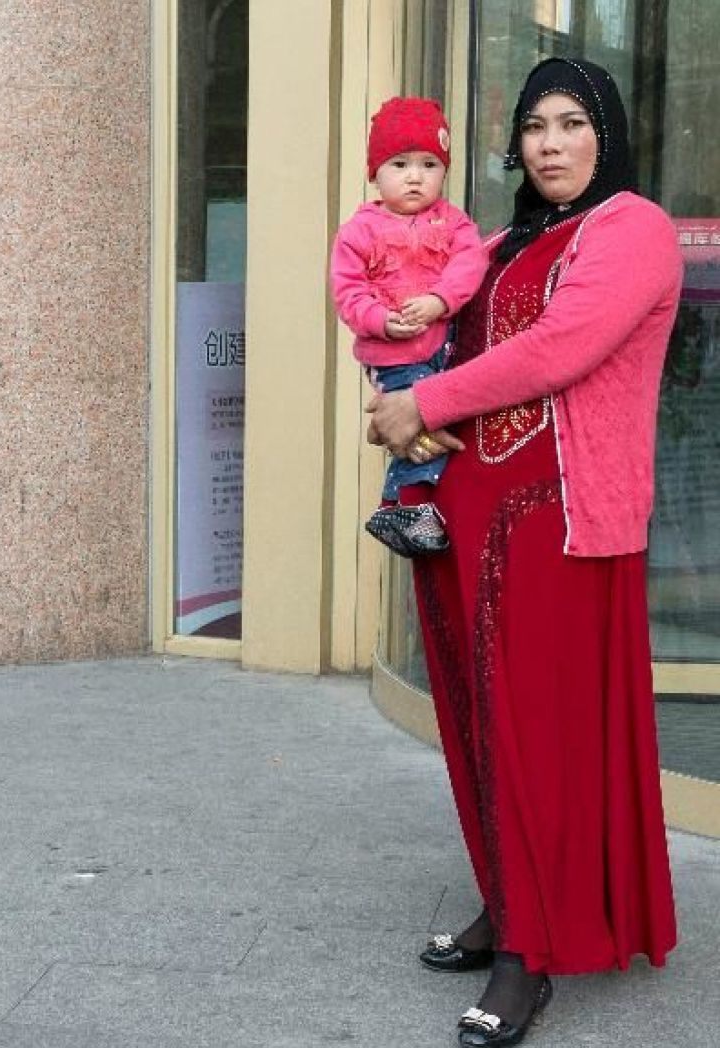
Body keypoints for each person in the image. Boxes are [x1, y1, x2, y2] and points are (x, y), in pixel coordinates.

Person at [368, 57, 679, 1048]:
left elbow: (561, 346)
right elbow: (419, 334)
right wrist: (391, 405)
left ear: (605, 135)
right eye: (532, 127)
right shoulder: (498, 240)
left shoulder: (630, 228)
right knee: (475, 723)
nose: (548, 145)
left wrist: (423, 405)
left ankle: (529, 958)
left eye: (569, 124)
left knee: (536, 737)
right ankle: (508, 906)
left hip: (558, 520)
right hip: (465, 513)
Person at [331, 96, 488, 557]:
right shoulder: (360, 231)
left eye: (429, 164)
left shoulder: (453, 223)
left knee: (432, 428)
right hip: (394, 355)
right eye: (399, 164)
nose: (415, 176)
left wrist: (441, 300)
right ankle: (402, 508)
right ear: (375, 173)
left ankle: (402, 506)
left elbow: (470, 263)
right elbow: (348, 293)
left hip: (444, 346)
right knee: (418, 428)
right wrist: (381, 320)